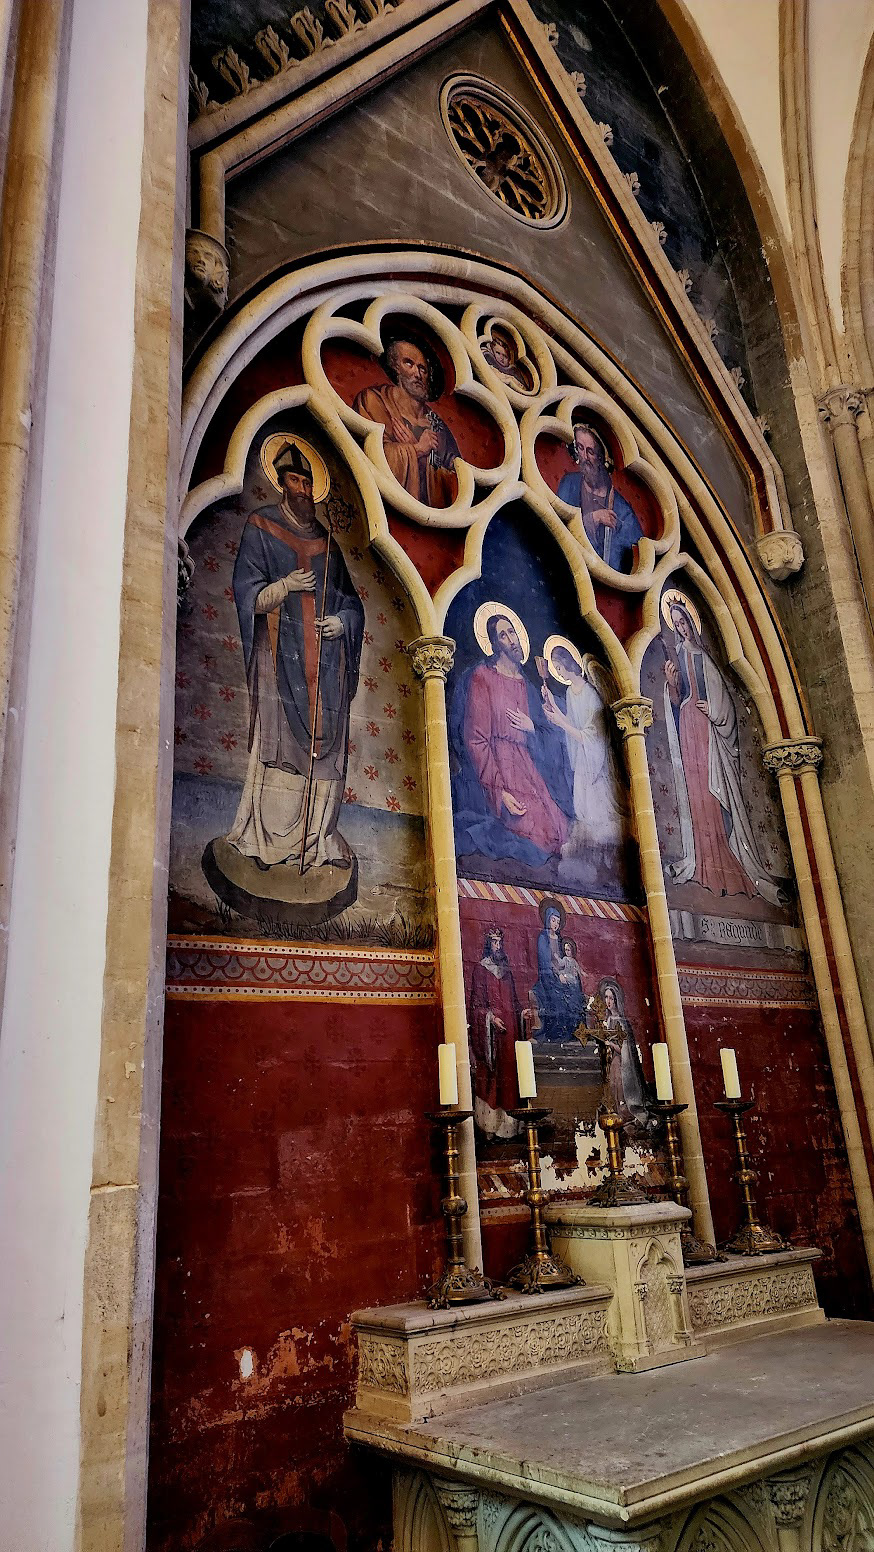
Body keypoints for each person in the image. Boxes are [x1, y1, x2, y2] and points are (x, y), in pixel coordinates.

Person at [226, 440, 364, 872]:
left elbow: (353, 604)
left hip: (324, 669)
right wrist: (285, 586)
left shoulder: (327, 544)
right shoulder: (261, 526)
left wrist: (341, 623)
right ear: (280, 483)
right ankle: (263, 842)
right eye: (294, 480)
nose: (303, 488)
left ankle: (315, 843)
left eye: (307, 481)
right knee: (278, 744)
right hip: (278, 657)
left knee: (326, 749)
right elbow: (246, 592)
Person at [663, 597, 784, 904]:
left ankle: (726, 862)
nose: (682, 628)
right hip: (688, 726)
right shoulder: (676, 655)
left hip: (706, 728)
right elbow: (676, 701)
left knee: (711, 792)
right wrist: (672, 685)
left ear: (692, 624)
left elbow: (725, 704)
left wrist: (713, 710)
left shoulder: (705, 657)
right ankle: (703, 864)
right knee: (697, 795)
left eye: (684, 622)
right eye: (677, 624)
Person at [459, 613, 571, 861]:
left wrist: (532, 727)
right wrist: (499, 792)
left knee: (557, 829)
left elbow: (551, 733)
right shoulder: (483, 677)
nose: (511, 639)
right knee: (532, 834)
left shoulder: (526, 684)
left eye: (512, 632)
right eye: (503, 634)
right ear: (494, 644)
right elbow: (477, 740)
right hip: (498, 767)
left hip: (526, 767)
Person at [542, 643, 628, 857]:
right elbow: (572, 725)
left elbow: (591, 736)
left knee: (598, 811)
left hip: (596, 758)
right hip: (583, 756)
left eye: (558, 666)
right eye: (554, 668)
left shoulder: (590, 693)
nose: (558, 671)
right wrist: (553, 705)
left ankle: (603, 851)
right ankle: (589, 849)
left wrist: (561, 723)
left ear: (566, 663)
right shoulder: (571, 692)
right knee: (583, 806)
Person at [354, 335, 460, 507]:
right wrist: (417, 450)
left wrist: (421, 456)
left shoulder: (437, 427)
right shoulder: (374, 402)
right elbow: (364, 458)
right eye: (409, 364)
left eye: (423, 369)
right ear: (395, 367)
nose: (417, 374)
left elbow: (456, 482)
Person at [557, 424, 642, 573]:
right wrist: (594, 518)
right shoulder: (569, 484)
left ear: (601, 457)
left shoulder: (622, 509)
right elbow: (556, 525)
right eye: (580, 449)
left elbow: (636, 552)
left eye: (590, 451)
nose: (584, 457)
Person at [468, 927, 523, 1138]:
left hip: (510, 1033)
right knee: (492, 1077)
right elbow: (476, 1006)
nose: (497, 946)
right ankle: (490, 1127)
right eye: (494, 942)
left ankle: (509, 1128)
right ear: (488, 945)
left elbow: (515, 1002)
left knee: (510, 1076)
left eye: (500, 942)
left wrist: (522, 1013)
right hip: (492, 1033)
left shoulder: (507, 972)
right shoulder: (480, 970)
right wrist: (490, 1019)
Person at [588, 977, 650, 1129]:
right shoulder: (607, 1020)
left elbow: (624, 1049)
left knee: (621, 1091)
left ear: (616, 1000)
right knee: (613, 1090)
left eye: (611, 998)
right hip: (611, 1063)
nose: (608, 1001)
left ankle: (625, 1115)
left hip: (621, 1063)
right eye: (606, 997)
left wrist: (608, 1043)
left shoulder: (620, 1021)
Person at [531, 903, 586, 1042]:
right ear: (547, 919)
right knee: (558, 1000)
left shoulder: (560, 939)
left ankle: (575, 1033)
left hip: (563, 975)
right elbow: (545, 961)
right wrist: (557, 974)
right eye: (553, 920)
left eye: (558, 921)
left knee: (575, 995)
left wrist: (569, 972)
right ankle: (557, 1035)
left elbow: (565, 960)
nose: (555, 924)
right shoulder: (543, 938)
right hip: (548, 977)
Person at [481, 326, 535, 391]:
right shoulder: (487, 356)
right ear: (491, 350)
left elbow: (523, 388)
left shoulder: (514, 371)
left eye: (505, 356)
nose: (501, 358)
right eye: (498, 353)